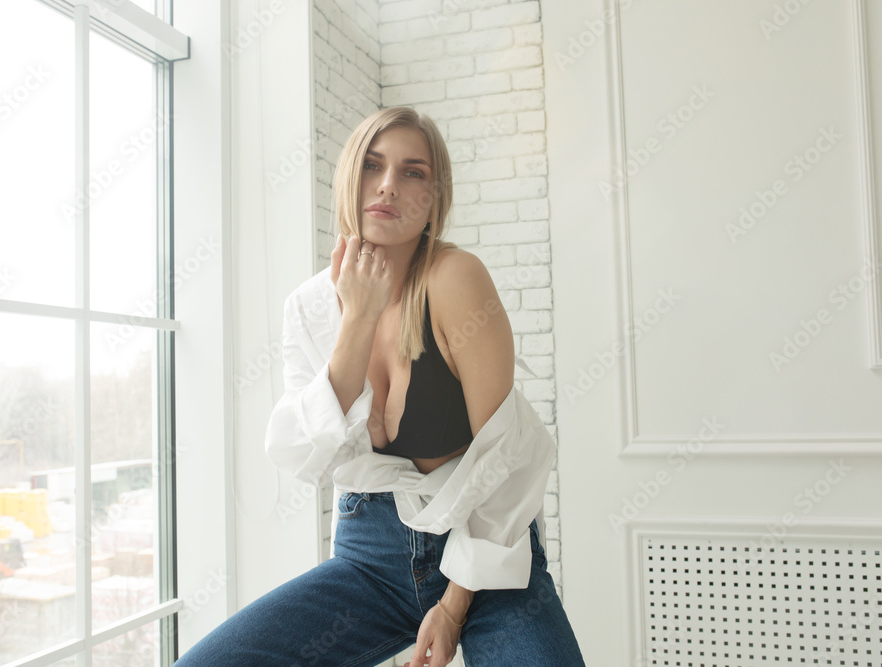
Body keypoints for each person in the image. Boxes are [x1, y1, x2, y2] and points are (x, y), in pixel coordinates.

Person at [174, 106, 585, 666]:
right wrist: (358, 320)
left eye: (413, 172)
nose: (388, 185)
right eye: (373, 165)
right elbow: (302, 454)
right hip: (370, 557)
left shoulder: (455, 279)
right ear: (349, 176)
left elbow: (508, 462)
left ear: (433, 198)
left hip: (485, 554)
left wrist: (454, 604)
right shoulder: (311, 305)